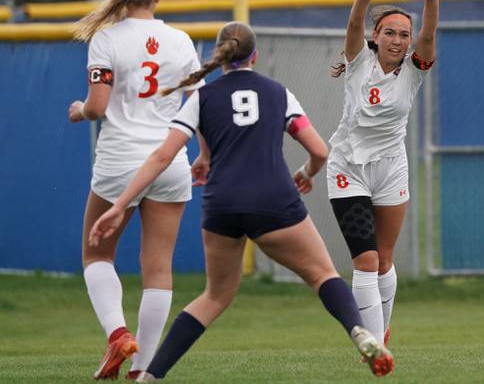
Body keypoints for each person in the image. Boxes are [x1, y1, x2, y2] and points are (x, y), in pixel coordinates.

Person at [89, 22, 394, 381]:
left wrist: (118, 204)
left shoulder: (202, 98)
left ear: (220, 59)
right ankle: (360, 333)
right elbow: (319, 150)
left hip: (223, 205)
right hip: (275, 200)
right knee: (323, 274)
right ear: (255, 55)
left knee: (214, 297)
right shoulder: (277, 93)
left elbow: (161, 156)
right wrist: (306, 174)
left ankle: (150, 375)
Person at [68, 0, 203, 380]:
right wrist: (207, 155)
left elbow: (98, 106)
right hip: (170, 160)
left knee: (95, 253)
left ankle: (117, 334)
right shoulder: (181, 41)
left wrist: (79, 112)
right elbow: (199, 104)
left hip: (120, 160)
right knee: (158, 267)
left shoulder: (106, 39)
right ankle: (142, 368)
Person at [327, 0, 449, 345]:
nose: (397, 40)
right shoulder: (358, 61)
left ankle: (382, 332)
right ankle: (375, 348)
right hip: (347, 165)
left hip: (390, 168)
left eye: (403, 34)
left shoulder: (413, 71)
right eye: (390, 32)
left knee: (382, 259)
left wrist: (430, 1)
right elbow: (352, 24)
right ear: (376, 36)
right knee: (363, 260)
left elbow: (429, 39)